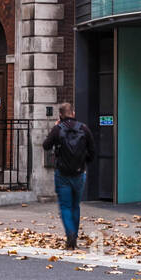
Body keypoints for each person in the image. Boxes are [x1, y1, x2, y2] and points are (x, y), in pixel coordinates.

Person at [42, 102, 95, 249]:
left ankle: (70, 234)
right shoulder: (84, 128)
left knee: (65, 206)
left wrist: (55, 127)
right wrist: (84, 164)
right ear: (73, 113)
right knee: (75, 206)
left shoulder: (58, 129)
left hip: (62, 174)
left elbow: (46, 145)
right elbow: (92, 151)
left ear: (60, 115)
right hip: (79, 173)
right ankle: (75, 236)